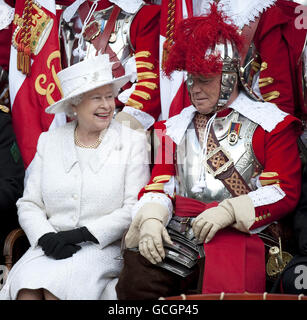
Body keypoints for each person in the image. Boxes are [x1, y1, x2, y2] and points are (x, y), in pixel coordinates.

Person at [115, 4, 302, 299]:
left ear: (229, 77)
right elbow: (159, 184)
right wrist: (151, 217)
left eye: (204, 80)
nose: (194, 89)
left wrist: (229, 211)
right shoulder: (168, 129)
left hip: (242, 233)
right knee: (136, 280)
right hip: (178, 234)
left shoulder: (273, 124)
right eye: (191, 79)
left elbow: (283, 190)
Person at [0, 54, 150, 300]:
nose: (106, 105)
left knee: (56, 290)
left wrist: (83, 234)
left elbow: (132, 207)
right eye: (96, 98)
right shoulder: (50, 141)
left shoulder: (132, 142)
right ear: (74, 105)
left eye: (109, 96)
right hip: (48, 246)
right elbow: (29, 204)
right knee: (26, 290)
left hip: (101, 248)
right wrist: (45, 236)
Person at [58, 0, 161, 131]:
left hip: (122, 127)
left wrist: (116, 133)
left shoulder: (143, 15)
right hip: (76, 127)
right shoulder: (65, 19)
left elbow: (149, 86)